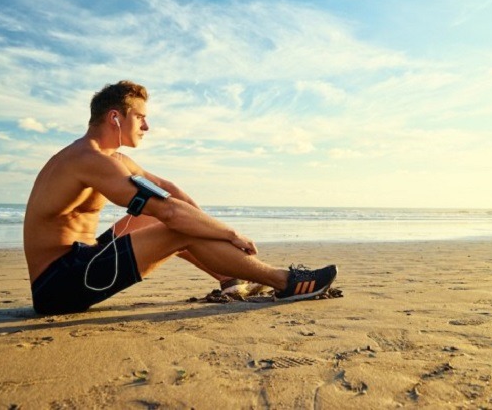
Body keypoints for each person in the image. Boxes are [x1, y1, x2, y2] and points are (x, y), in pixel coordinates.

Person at [23, 80, 337, 315]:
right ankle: (285, 282)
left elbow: (169, 190)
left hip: (82, 260)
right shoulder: (88, 160)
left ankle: (228, 275)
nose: (146, 125)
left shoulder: (110, 158)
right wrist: (230, 234)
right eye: (140, 117)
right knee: (175, 227)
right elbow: (171, 214)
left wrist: (212, 232)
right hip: (58, 287)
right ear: (115, 118)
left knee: (152, 219)